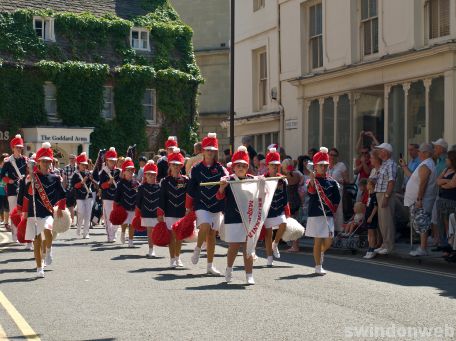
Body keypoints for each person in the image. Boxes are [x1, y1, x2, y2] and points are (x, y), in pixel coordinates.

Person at [19, 142, 66, 278]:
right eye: (43, 161)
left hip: (47, 212)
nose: (46, 164)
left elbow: (63, 194)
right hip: (34, 212)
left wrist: (60, 209)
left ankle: (49, 250)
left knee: (48, 232)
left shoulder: (55, 178)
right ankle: (39, 268)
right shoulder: (31, 178)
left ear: (51, 163)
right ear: (38, 162)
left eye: (48, 161)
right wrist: (29, 185)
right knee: (37, 241)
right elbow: (24, 195)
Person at [187, 133, 227, 276]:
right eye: (207, 150)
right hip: (201, 203)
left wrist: (225, 183)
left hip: (216, 204)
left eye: (212, 150)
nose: (210, 152)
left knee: (211, 235)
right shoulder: (196, 168)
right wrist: (187, 207)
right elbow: (190, 189)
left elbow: (228, 183)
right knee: (204, 226)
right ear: (203, 151)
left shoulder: (221, 168)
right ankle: (198, 249)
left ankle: (210, 266)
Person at [217, 146, 256, 284]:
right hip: (233, 218)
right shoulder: (227, 180)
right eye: (238, 166)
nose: (241, 168)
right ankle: (229, 269)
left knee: (248, 247)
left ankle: (249, 274)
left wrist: (263, 182)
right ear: (233, 167)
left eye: (244, 166)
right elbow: (219, 197)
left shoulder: (253, 179)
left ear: (247, 167)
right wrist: (222, 187)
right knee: (234, 246)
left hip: (248, 218)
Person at [304, 147, 341, 275]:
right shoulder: (312, 181)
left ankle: (320, 252)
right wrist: (313, 179)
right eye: (321, 165)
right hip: (315, 214)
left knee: (329, 240)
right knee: (318, 240)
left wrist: (333, 209)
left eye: (325, 165)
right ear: (315, 166)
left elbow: (337, 198)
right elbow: (311, 192)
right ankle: (318, 265)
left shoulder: (332, 181)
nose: (323, 168)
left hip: (328, 214)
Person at [402, 143, 437, 256]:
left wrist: (419, 199)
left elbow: (423, 183)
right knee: (420, 223)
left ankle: (423, 248)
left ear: (427, 153)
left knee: (422, 223)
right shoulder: (425, 163)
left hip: (421, 200)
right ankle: (422, 247)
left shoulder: (426, 165)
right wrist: (404, 166)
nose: (419, 153)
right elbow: (412, 177)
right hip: (420, 200)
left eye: (420, 152)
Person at [158, 148, 188, 268]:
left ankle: (178, 257)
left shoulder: (186, 180)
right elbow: (162, 198)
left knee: (179, 236)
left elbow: (188, 196)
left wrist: (189, 210)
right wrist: (160, 213)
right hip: (169, 211)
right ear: (170, 165)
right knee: (171, 236)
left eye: (178, 165)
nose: (176, 167)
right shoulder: (165, 181)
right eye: (173, 164)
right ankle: (172, 259)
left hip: (181, 211)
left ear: (181, 166)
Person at [263, 148, 290, 266]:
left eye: (277, 165)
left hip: (279, 208)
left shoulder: (282, 180)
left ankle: (276, 243)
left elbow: (285, 196)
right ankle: (269, 257)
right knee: (268, 234)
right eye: (272, 165)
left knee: (283, 224)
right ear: (267, 166)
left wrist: (287, 209)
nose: (275, 167)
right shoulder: (262, 179)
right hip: (268, 210)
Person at [1, 134, 27, 243]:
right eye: (17, 147)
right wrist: (8, 180)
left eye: (20, 147)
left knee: (23, 213)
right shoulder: (7, 161)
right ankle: (15, 235)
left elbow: (29, 172)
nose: (19, 149)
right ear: (12, 148)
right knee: (14, 213)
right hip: (12, 189)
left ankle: (22, 234)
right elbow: (2, 175)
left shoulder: (25, 160)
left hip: (23, 189)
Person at [372, 143, 397, 255]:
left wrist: (386, 196)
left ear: (385, 152)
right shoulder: (384, 164)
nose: (378, 152)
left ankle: (389, 245)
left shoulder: (391, 164)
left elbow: (391, 181)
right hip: (380, 193)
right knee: (382, 221)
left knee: (387, 221)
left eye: (380, 150)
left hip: (385, 194)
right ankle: (384, 244)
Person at [136, 160, 160, 258]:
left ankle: (156, 245)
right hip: (146, 212)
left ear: (156, 175)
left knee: (155, 231)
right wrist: (139, 212)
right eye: (149, 174)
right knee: (150, 231)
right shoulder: (141, 187)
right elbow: (138, 201)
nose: (151, 176)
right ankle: (151, 249)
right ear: (145, 175)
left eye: (153, 174)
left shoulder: (159, 187)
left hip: (157, 212)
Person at [114, 157, 138, 247]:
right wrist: (116, 207)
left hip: (133, 206)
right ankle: (123, 232)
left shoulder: (136, 182)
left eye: (132, 170)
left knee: (132, 224)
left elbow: (138, 194)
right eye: (128, 170)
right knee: (124, 222)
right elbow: (117, 196)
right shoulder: (120, 183)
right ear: (124, 172)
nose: (130, 172)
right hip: (123, 206)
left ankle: (131, 241)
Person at [435, 150, 456, 250]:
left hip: (451, 201)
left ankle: (450, 246)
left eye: (447, 158)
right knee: (441, 224)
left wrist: (444, 184)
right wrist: (446, 182)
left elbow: (453, 184)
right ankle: (444, 244)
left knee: (449, 225)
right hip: (442, 199)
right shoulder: (446, 170)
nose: (446, 160)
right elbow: (437, 181)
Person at [99, 147, 121, 243]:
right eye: (110, 161)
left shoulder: (118, 172)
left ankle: (114, 232)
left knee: (118, 216)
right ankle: (110, 236)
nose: (112, 163)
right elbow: (101, 186)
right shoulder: (103, 172)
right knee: (108, 217)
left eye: (114, 161)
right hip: (107, 197)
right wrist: (108, 182)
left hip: (117, 197)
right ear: (107, 161)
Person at [281, 158, 302, 252]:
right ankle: (295, 244)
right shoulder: (297, 174)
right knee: (296, 222)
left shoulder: (285, 177)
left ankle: (295, 246)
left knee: (292, 224)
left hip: (289, 201)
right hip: (297, 199)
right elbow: (301, 182)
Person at [71, 152, 93, 239]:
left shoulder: (89, 173)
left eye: (85, 165)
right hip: (79, 196)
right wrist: (82, 182)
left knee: (88, 214)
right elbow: (74, 186)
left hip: (88, 195)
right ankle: (79, 227)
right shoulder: (75, 174)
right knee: (81, 213)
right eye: (82, 164)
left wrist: (92, 179)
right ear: (78, 164)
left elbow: (95, 184)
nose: (84, 166)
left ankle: (86, 232)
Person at [328, 148, 348, 232]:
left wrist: (339, 181)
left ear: (337, 157)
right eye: (331, 154)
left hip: (338, 191)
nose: (332, 157)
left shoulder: (341, 165)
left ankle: (339, 230)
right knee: (329, 210)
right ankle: (329, 230)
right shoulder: (325, 166)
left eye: (334, 155)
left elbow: (347, 180)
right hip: (327, 192)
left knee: (338, 211)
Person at [363, 179, 379, 259]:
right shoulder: (369, 195)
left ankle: (372, 249)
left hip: (371, 217)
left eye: (368, 184)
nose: (366, 186)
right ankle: (369, 248)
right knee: (369, 234)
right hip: (367, 216)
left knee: (372, 234)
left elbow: (375, 207)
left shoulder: (374, 195)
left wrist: (371, 217)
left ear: (372, 185)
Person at [62, 154, 77, 226]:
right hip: (69, 189)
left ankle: (78, 222)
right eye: (70, 158)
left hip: (78, 189)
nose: (71, 159)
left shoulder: (78, 167)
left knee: (78, 206)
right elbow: (64, 179)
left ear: (75, 159)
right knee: (70, 205)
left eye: (73, 158)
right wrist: (64, 189)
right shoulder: (66, 168)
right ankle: (72, 220)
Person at [0, 154, 9, 231]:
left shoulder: (9, 169)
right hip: (0, 192)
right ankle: (2, 220)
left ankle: (6, 223)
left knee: (7, 208)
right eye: (3, 161)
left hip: (7, 192)